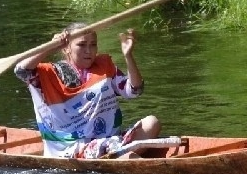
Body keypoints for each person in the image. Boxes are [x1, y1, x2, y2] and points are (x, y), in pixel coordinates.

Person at [14, 24, 163, 159]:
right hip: (72, 150)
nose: (88, 51)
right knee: (110, 147)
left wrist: (128, 56)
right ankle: (123, 156)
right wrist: (49, 47)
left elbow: (134, 90)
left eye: (93, 45)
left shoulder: (104, 67)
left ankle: (120, 156)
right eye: (81, 45)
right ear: (66, 48)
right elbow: (21, 71)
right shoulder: (47, 73)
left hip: (110, 140)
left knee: (152, 123)